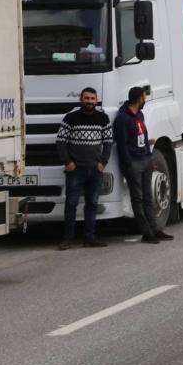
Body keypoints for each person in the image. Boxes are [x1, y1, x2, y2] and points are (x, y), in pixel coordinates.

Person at [114, 86, 173, 243]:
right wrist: (128, 165)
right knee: (137, 199)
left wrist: (149, 157)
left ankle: (155, 230)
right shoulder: (122, 119)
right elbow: (122, 145)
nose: (145, 100)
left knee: (148, 197)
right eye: (144, 97)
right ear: (139, 98)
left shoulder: (140, 115)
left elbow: (143, 138)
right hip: (133, 163)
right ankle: (146, 233)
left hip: (145, 160)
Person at [55, 87, 112, 250]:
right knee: (71, 204)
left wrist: (103, 162)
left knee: (92, 204)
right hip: (75, 170)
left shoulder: (103, 118)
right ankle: (67, 239)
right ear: (81, 99)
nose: (89, 101)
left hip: (95, 169)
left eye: (92, 99)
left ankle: (90, 238)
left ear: (96, 100)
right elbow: (60, 141)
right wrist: (67, 162)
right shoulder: (71, 118)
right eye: (86, 98)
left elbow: (108, 142)